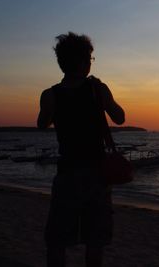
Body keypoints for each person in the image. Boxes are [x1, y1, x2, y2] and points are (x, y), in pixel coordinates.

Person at [37, 32, 125, 267]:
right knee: (94, 242)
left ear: (61, 62)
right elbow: (120, 117)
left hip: (67, 174)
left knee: (57, 241)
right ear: (85, 62)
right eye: (90, 59)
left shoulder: (50, 94)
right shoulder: (98, 88)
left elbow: (41, 124)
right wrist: (103, 98)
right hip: (97, 175)